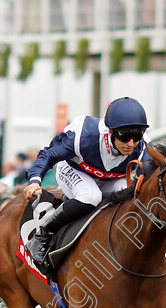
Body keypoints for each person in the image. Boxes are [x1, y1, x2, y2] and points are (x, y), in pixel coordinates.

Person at [22, 96, 150, 269]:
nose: (131, 144)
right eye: (125, 137)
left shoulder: (143, 147)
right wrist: (35, 181)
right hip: (73, 170)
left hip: (110, 178)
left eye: (136, 137)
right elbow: (48, 155)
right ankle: (42, 235)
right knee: (91, 196)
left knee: (131, 197)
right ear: (110, 131)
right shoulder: (84, 135)